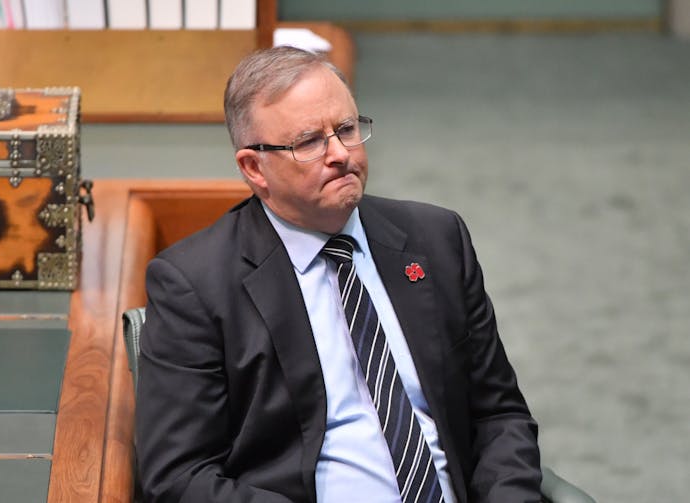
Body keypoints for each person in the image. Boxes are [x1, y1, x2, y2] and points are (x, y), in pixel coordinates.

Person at [136, 45, 541, 503]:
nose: (339, 154)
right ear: (254, 168)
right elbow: (178, 477)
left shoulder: (436, 239)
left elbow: (498, 414)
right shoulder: (195, 284)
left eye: (347, 130)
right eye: (309, 142)